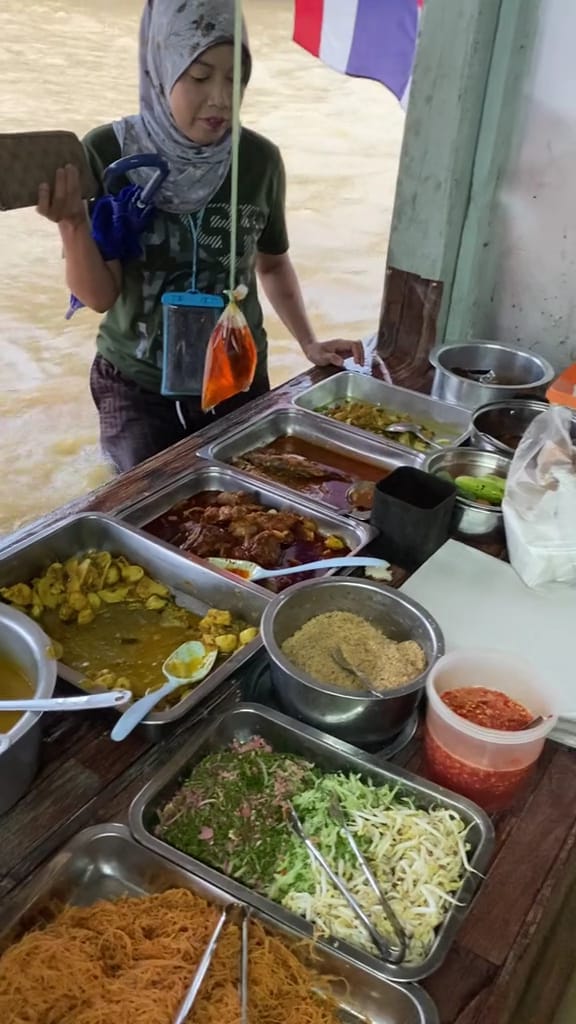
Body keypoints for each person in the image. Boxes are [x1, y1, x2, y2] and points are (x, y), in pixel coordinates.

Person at [36, 0, 363, 473]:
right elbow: (99, 296)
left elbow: (271, 264)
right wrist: (72, 223)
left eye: (235, 78)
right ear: (163, 67)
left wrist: (309, 343)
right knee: (145, 511)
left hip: (236, 374)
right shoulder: (109, 152)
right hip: (138, 385)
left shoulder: (259, 161)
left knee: (250, 506)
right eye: (200, 75)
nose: (220, 97)